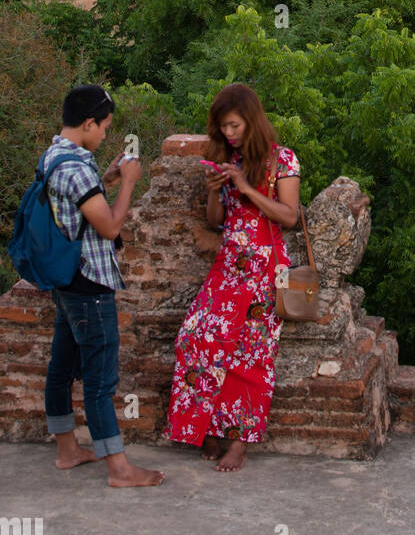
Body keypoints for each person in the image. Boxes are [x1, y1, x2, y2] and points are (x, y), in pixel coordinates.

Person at [164, 83, 300, 472]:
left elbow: (289, 217)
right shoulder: (226, 157)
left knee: (252, 356)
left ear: (252, 121)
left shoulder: (282, 161)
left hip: (265, 268)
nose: (228, 133)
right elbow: (216, 221)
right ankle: (205, 426)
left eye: (235, 125)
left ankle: (240, 442)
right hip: (228, 267)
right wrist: (214, 192)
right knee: (193, 338)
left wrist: (245, 187)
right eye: (223, 126)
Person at [42, 85, 165, 487]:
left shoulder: (55, 155)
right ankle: (120, 469)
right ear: (89, 122)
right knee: (100, 381)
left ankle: (67, 451)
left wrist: (106, 178)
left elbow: (78, 209)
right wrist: (128, 181)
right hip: (89, 283)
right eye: (105, 127)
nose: (106, 135)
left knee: (61, 370)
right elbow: (109, 225)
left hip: (64, 280)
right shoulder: (77, 168)